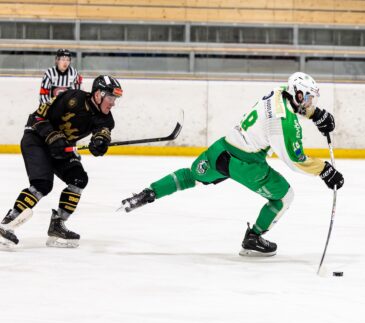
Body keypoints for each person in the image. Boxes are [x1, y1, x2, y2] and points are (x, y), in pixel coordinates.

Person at [120, 72, 344, 257]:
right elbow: (295, 160)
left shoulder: (277, 92)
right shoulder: (284, 123)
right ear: (297, 93)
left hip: (222, 149)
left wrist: (317, 115)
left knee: (191, 176)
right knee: (284, 196)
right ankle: (253, 238)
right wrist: (324, 170)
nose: (309, 103)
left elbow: (293, 107)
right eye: (308, 99)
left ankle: (147, 193)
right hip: (247, 165)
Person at [0, 75, 123, 249]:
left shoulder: (106, 119)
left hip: (62, 147)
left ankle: (57, 225)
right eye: (110, 97)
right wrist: (52, 135)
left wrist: (100, 144)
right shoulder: (73, 98)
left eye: (115, 99)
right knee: (42, 184)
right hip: (36, 140)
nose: (113, 103)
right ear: (98, 94)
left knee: (78, 179)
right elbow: (36, 118)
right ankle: (8, 222)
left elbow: (102, 132)